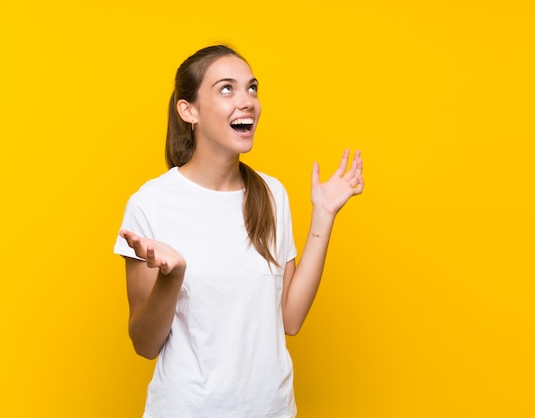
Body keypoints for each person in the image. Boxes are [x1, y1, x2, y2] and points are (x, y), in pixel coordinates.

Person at [113, 44, 364, 418]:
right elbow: (145, 344)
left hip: (272, 410)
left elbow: (290, 319)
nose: (247, 100)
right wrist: (172, 277)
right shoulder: (151, 203)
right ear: (189, 110)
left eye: (252, 87)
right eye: (226, 88)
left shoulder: (271, 194)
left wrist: (323, 215)